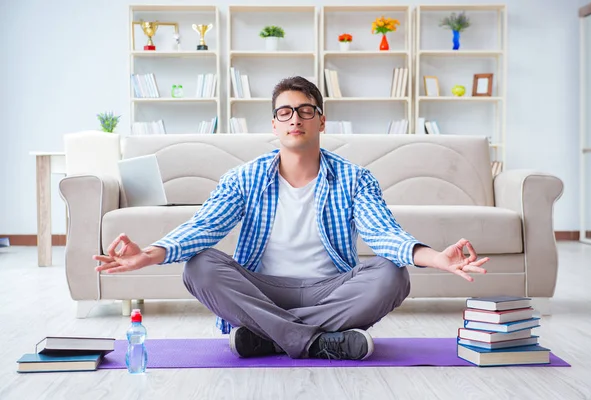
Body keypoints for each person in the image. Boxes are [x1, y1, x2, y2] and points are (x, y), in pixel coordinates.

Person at [94, 76, 489, 361]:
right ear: (274, 125)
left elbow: (383, 232)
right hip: (262, 288)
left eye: (305, 110)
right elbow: (204, 227)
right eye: (285, 112)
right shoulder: (243, 178)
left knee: (392, 273)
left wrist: (435, 257)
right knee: (200, 266)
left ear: (321, 121)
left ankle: (268, 337)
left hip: (330, 289)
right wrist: (149, 253)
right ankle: (320, 342)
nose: (295, 118)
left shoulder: (354, 178)